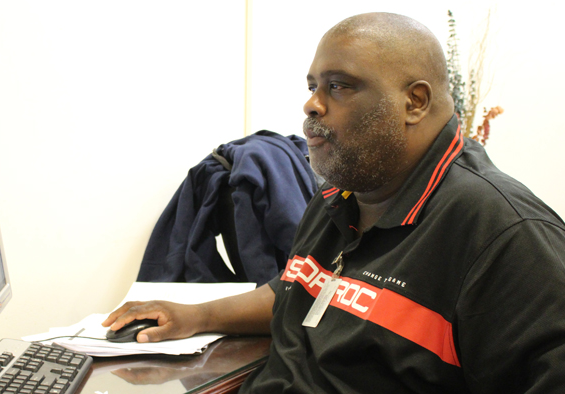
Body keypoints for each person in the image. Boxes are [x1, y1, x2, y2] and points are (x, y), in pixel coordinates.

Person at [103, 12, 565, 393]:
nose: (312, 105)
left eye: (339, 86)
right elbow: (302, 288)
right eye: (312, 86)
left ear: (415, 102)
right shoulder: (342, 194)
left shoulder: (505, 234)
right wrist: (196, 316)